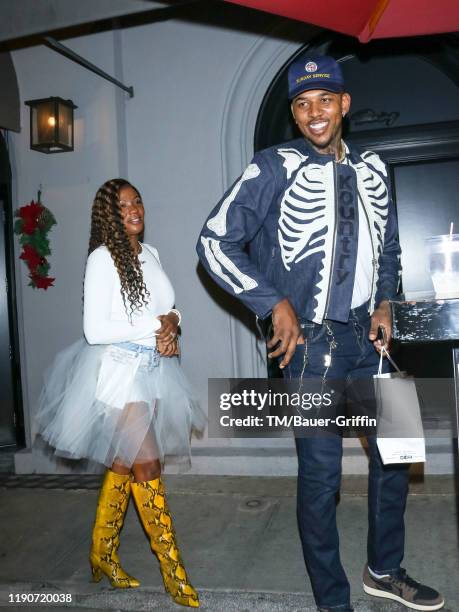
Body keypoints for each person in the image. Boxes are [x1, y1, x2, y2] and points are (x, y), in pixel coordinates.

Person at [197, 54, 444, 611]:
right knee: (321, 482)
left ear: (344, 105)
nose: (314, 113)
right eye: (303, 104)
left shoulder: (376, 167)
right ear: (294, 112)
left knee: (397, 459)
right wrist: (273, 302)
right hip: (312, 348)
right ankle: (333, 602)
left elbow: (389, 251)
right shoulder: (271, 166)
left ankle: (385, 570)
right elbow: (214, 242)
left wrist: (384, 302)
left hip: (372, 341)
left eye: (325, 101)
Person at [35, 178, 205, 608]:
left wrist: (173, 321)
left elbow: (167, 305)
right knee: (148, 464)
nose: (134, 209)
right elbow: (95, 330)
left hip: (153, 370)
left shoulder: (151, 254)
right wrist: (156, 327)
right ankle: (174, 573)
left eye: (138, 201)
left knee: (125, 465)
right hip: (118, 373)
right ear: (108, 214)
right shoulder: (101, 259)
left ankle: (102, 556)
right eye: (123, 204)